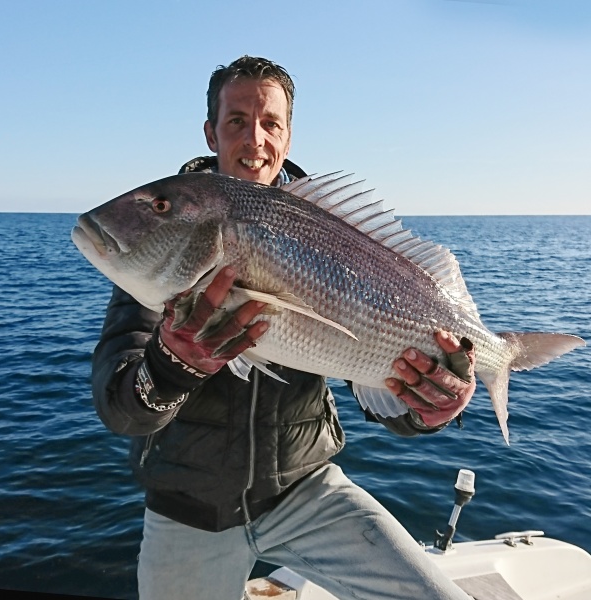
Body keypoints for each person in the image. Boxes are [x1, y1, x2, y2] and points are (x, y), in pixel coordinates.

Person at [91, 56, 476, 600]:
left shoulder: (332, 233)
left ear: (288, 136)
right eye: (236, 121)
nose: (255, 139)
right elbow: (120, 408)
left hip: (306, 490)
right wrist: (172, 364)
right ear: (210, 132)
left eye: (270, 123)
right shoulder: (165, 255)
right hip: (189, 508)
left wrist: (429, 407)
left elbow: (379, 386)